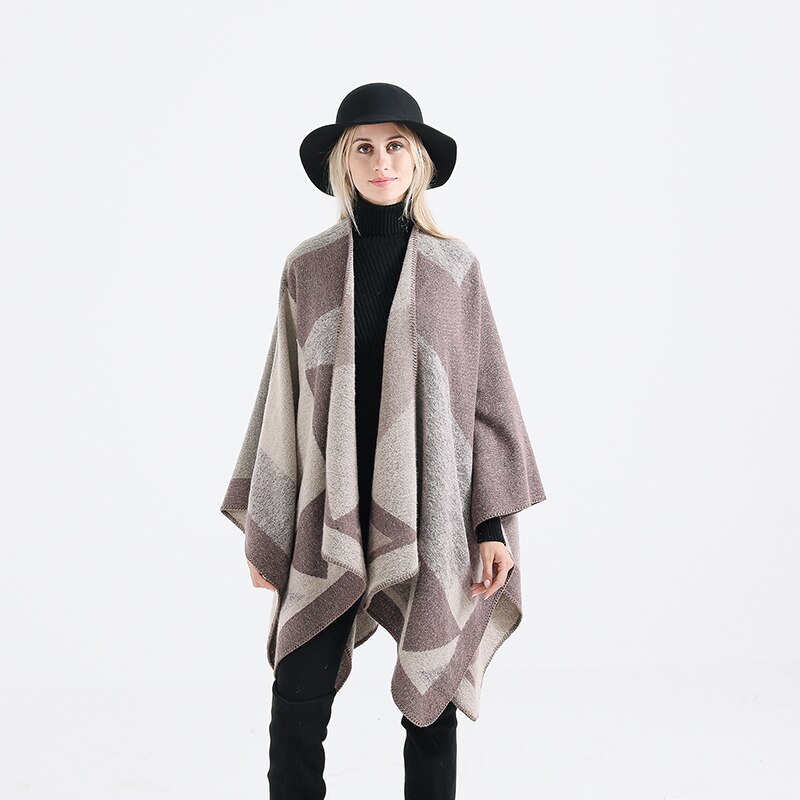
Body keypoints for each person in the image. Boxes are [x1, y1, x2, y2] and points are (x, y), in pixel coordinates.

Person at [221, 82, 546, 800]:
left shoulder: (455, 270)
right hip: (328, 512)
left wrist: (490, 526)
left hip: (432, 513)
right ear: (344, 161)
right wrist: (270, 529)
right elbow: (281, 399)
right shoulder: (307, 268)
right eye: (363, 147)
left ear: (418, 160)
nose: (381, 161)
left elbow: (485, 402)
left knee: (430, 708)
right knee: (297, 698)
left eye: (396, 145)